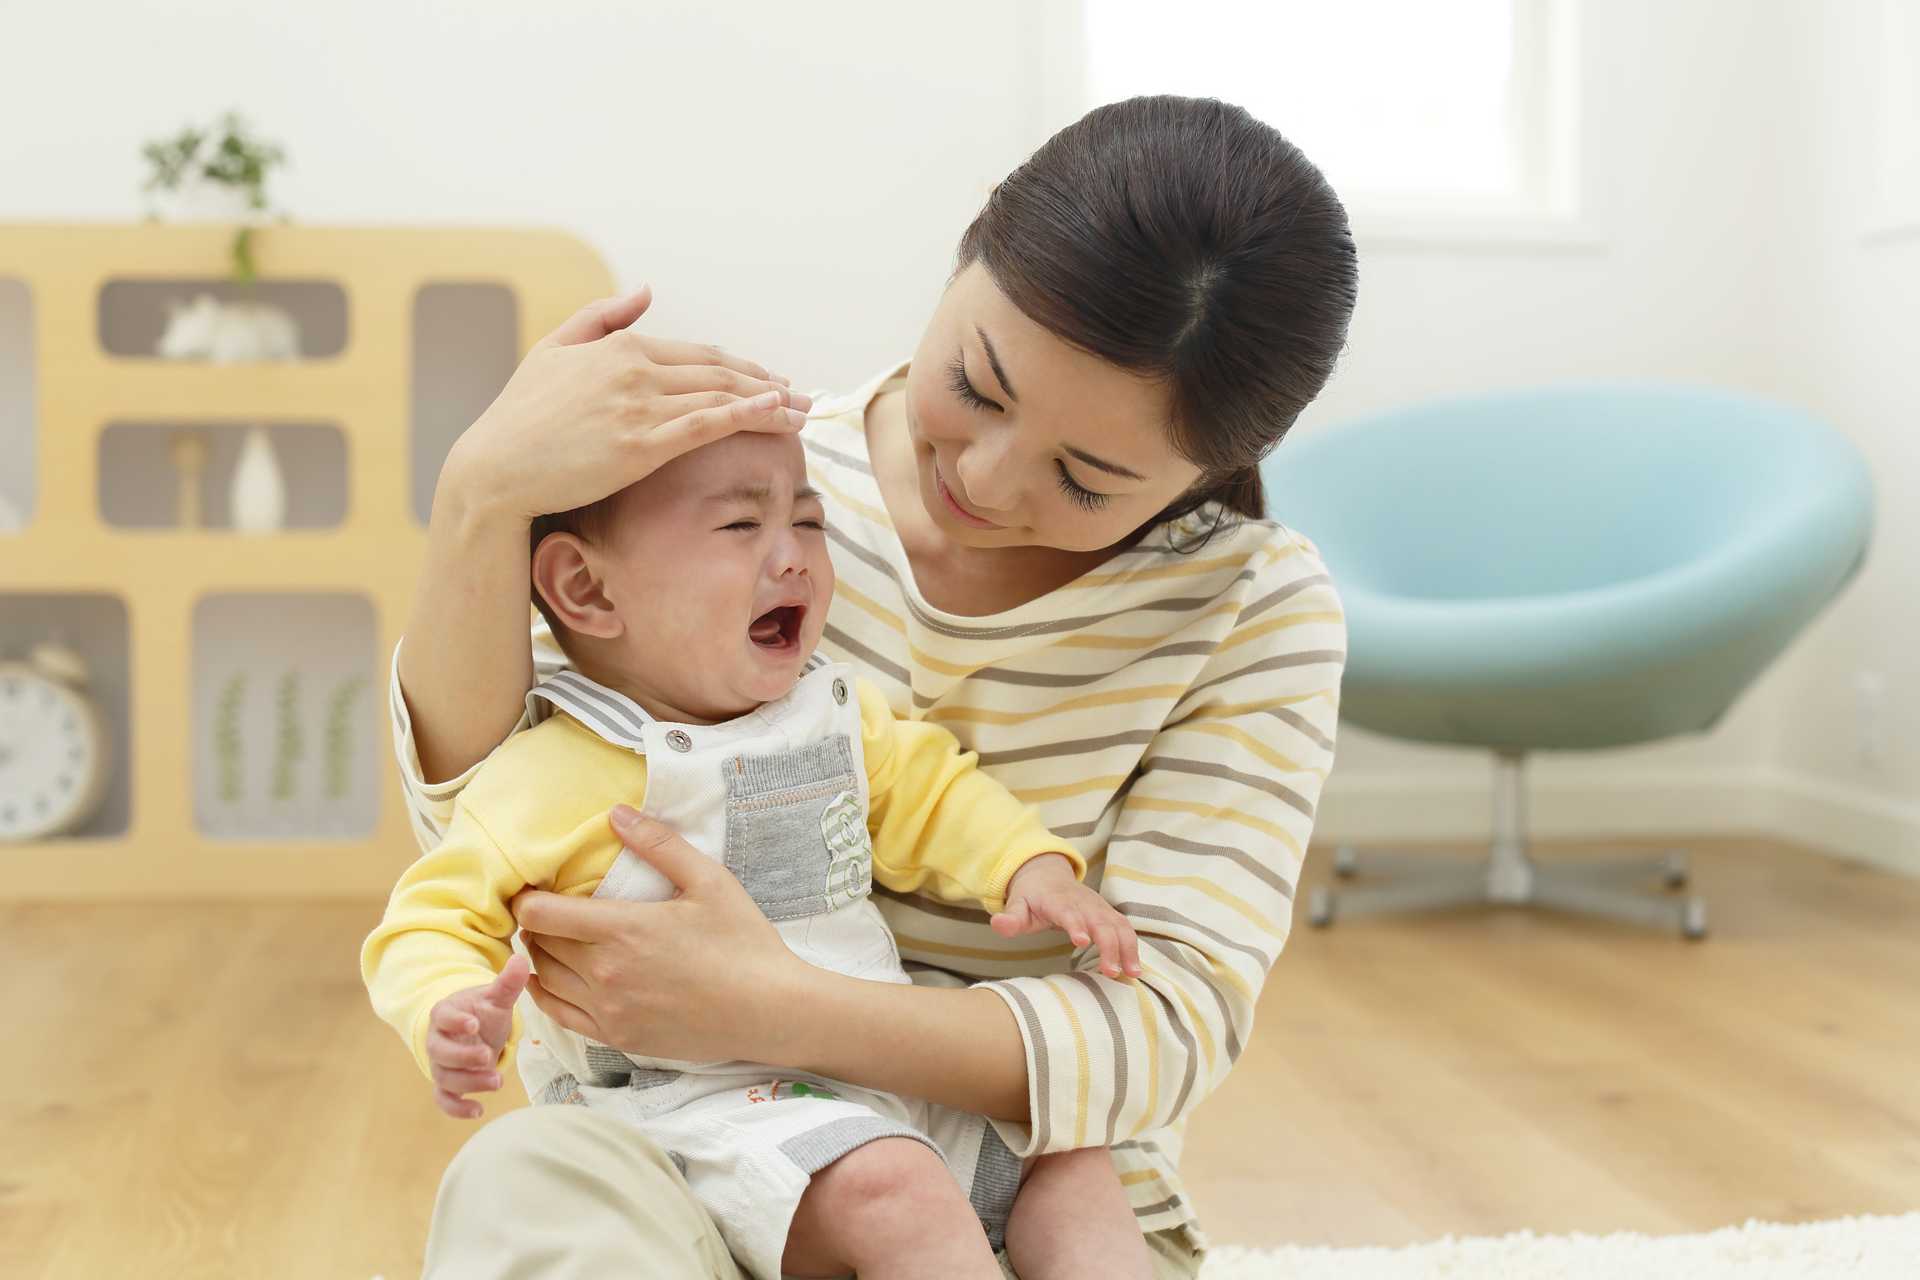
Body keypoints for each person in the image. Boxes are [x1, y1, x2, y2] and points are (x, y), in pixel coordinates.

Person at [391, 94, 1358, 1279]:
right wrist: (481, 494)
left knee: (1076, 1200)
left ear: (1207, 468)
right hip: (689, 1155)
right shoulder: (745, 491)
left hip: (1015, 1190)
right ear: (970, 249)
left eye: (1087, 476)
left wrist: (771, 1003)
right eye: (981, 385)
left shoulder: (1253, 608)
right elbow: (491, 825)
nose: (991, 480)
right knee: (521, 1179)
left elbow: (1166, 1025)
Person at [364, 427, 1153, 1280]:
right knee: (900, 1191)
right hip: (696, 1114)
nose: (795, 558)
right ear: (586, 588)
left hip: (872, 1067)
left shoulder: (835, 716)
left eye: (808, 521)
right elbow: (430, 919)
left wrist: (1029, 867)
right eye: (742, 528)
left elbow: (935, 794)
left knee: (1067, 1155)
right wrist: (448, 1007)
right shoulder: (553, 775)